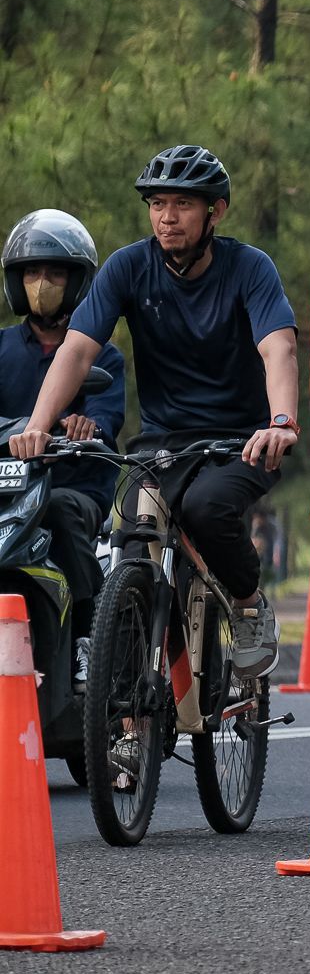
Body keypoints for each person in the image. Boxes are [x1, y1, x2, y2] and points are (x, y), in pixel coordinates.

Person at [11, 147, 299, 691]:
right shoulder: (128, 267)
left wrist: (281, 422)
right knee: (130, 545)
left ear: (215, 212)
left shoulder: (250, 268)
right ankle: (126, 714)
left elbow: (277, 348)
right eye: (158, 203)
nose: (167, 217)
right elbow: (77, 350)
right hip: (160, 446)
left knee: (206, 508)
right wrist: (38, 425)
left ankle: (247, 605)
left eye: (183, 205)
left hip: (240, 442)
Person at [0, 211, 128, 686]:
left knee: (57, 509)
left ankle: (85, 639)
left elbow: (104, 421)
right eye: (32, 272)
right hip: (7, 493)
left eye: (55, 273)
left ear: (77, 282)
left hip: (73, 491)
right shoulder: (1, 349)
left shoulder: (101, 355)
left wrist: (81, 425)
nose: (42, 283)